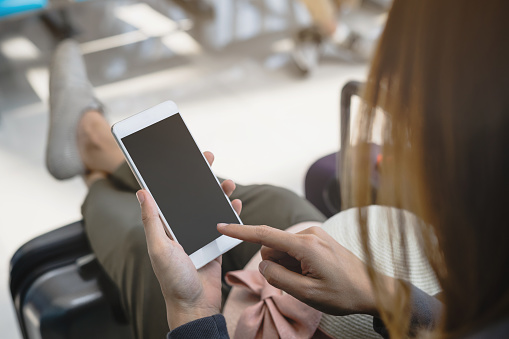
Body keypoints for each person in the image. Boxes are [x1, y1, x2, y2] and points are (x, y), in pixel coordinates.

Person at [137, 0, 509, 338]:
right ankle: (119, 163)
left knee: (134, 239)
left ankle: (106, 166)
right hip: (361, 273)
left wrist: (190, 309)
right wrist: (383, 293)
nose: (395, 149)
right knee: (268, 198)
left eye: (414, 131)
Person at [45, 40, 327, 339]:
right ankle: (95, 149)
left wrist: (191, 309)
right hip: (338, 255)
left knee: (144, 246)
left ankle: (94, 157)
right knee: (270, 201)